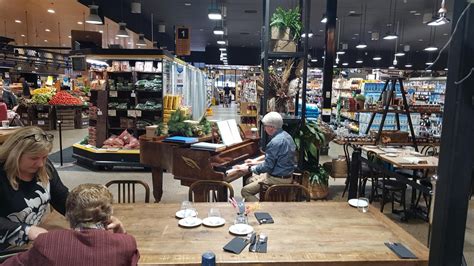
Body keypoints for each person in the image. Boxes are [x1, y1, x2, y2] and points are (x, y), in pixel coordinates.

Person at [0, 126, 125, 251]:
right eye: (34, 158)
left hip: (28, 246)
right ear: (14, 154)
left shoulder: (44, 168)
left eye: (44, 157)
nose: (40, 164)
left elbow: (62, 198)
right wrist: (26, 230)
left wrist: (96, 218)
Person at [2, 183, 139, 265]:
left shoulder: (46, 242)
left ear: (68, 213)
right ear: (109, 214)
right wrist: (122, 233)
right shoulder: (126, 244)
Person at [234, 112, 296, 202]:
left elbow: (267, 167)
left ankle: (263, 209)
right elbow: (276, 161)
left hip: (277, 179)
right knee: (249, 180)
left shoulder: (274, 142)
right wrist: (255, 162)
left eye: (265, 126)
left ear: (271, 127)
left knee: (245, 191)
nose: (264, 128)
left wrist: (248, 169)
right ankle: (264, 199)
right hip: (286, 175)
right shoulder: (287, 136)